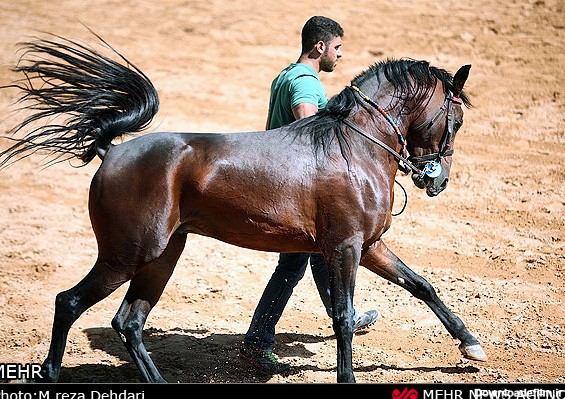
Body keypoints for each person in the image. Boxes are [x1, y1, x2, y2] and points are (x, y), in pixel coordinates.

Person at [239, 16, 379, 375]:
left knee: (319, 253)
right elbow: (308, 128)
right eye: (337, 48)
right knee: (291, 266)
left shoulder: (285, 74)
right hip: (293, 191)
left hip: (282, 185)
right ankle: (257, 342)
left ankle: (341, 312)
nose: (340, 55)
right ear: (320, 47)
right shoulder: (304, 80)